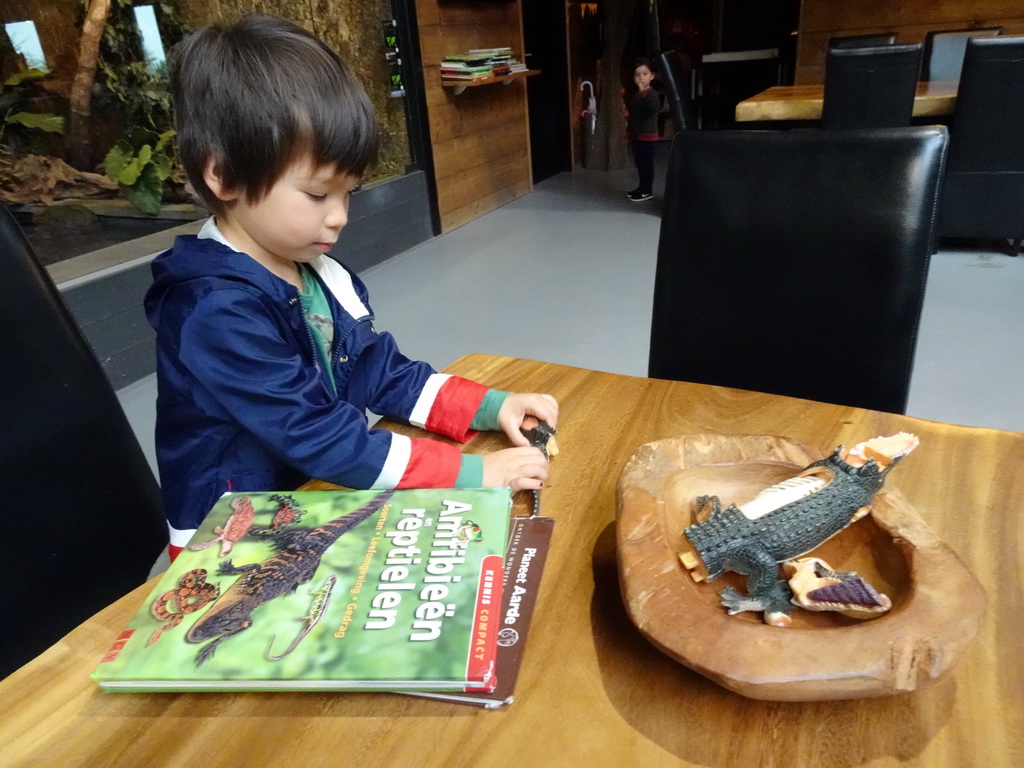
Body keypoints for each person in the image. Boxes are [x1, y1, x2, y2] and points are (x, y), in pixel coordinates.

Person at [146, 15, 558, 558]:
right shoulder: (213, 310)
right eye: (318, 194)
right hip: (234, 542)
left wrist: (488, 406)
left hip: (314, 501)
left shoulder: (310, 269)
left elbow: (374, 369)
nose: (339, 217)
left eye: (349, 194)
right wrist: (473, 472)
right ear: (223, 176)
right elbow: (319, 435)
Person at [625, 57, 660, 202]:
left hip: (647, 136)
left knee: (646, 164)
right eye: (637, 74)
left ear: (652, 76)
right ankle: (641, 187)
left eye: (645, 74)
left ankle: (647, 190)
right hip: (636, 135)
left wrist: (642, 94)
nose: (641, 77)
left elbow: (653, 108)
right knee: (640, 164)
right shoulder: (636, 95)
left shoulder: (651, 94)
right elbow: (634, 113)